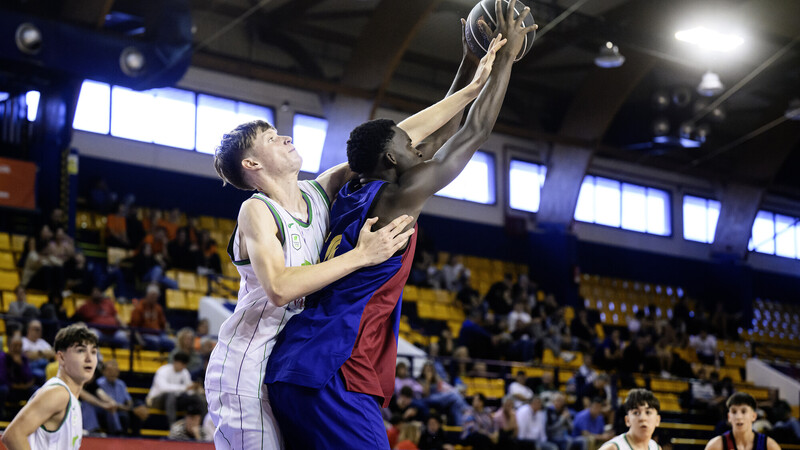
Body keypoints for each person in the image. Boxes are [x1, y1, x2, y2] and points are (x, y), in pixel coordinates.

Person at [205, 12, 517, 450]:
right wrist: (360, 256)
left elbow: (402, 137)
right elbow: (277, 287)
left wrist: (468, 73)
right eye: (271, 138)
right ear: (252, 164)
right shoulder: (258, 210)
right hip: (257, 361)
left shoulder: (333, 191)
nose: (284, 137)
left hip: (294, 356)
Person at [1, 324, 98, 450]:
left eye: (94, 352)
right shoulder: (58, 393)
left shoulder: (70, 398)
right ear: (61, 358)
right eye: (80, 350)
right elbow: (13, 435)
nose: (89, 358)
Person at [703, 393, 781, 450]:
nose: (739, 417)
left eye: (744, 411)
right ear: (729, 417)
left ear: (753, 416)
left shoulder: (769, 445)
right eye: (734, 412)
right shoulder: (716, 445)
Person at [147, 351, 202, 427]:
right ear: (175, 362)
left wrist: (195, 389)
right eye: (181, 364)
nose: (183, 367)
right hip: (156, 400)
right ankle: (172, 426)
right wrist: (185, 388)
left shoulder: (184, 372)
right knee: (171, 395)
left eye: (184, 365)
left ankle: (197, 426)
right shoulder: (163, 370)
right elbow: (164, 389)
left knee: (196, 398)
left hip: (175, 400)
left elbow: (189, 391)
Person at [597, 389, 661, 450]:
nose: (642, 418)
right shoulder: (613, 448)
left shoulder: (655, 447)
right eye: (636, 413)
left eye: (648, 412)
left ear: (657, 420)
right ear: (627, 420)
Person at [129, 284, 174, 351]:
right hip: (145, 334)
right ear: (147, 295)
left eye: (155, 296)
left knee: (171, 342)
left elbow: (163, 324)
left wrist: (167, 327)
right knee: (155, 342)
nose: (154, 298)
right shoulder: (139, 308)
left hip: (158, 334)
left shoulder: (158, 308)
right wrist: (140, 340)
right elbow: (134, 327)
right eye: (152, 296)